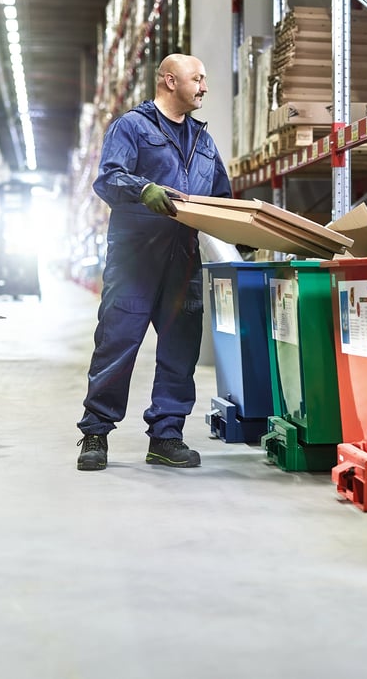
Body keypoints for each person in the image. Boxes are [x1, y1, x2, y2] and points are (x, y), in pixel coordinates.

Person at [76, 53, 232, 471]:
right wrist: (144, 189)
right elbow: (108, 178)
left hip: (183, 261)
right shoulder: (132, 127)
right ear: (168, 80)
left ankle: (166, 435)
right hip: (135, 258)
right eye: (197, 78)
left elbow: (221, 198)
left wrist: (244, 235)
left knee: (180, 350)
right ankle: (95, 433)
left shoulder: (203, 141)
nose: (204, 87)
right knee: (117, 343)